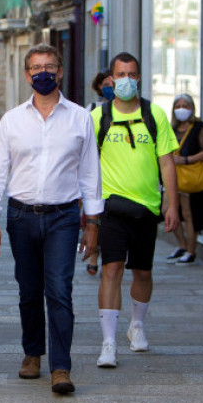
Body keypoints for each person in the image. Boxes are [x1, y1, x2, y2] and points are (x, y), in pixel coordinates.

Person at [0, 44, 103, 394]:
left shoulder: (79, 118)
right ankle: (32, 353)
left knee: (60, 290)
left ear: (61, 71)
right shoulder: (12, 120)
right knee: (29, 290)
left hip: (64, 217)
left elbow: (90, 173)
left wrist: (92, 222)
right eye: (36, 68)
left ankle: (61, 366)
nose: (43, 73)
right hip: (21, 216)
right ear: (27, 75)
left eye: (50, 66)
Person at [92, 52, 179, 368]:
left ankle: (137, 326)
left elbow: (166, 161)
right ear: (110, 79)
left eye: (132, 74)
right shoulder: (98, 118)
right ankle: (109, 342)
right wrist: (86, 210)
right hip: (111, 207)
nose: (126, 79)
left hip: (146, 208)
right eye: (120, 74)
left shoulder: (154, 114)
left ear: (139, 77)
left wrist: (172, 203)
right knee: (111, 269)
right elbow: (86, 164)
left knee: (142, 271)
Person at [164, 93, 203, 265]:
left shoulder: (199, 127)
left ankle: (191, 251)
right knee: (166, 210)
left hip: (190, 178)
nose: (181, 109)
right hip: (173, 178)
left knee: (188, 213)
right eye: (178, 106)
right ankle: (182, 245)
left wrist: (186, 160)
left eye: (185, 106)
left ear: (192, 108)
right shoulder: (172, 128)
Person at [82, 69, 114, 276]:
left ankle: (110, 259)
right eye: (106, 84)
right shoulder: (92, 110)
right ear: (99, 87)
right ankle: (94, 255)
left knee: (110, 220)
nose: (110, 88)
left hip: (116, 174)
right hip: (96, 173)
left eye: (113, 83)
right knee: (96, 217)